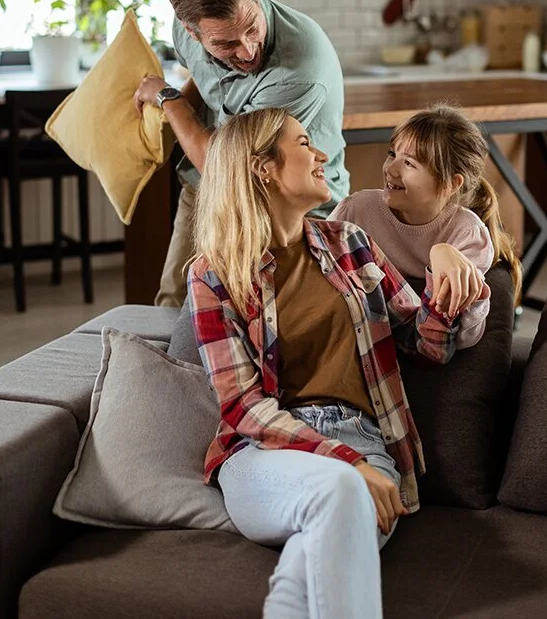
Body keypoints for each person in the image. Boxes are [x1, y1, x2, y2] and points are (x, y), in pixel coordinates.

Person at [187, 107, 480, 619]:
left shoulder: (351, 244)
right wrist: (347, 463)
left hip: (368, 442)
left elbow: (428, 344)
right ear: (264, 167)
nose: (322, 154)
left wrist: (445, 263)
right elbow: (241, 407)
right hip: (263, 454)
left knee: (300, 583)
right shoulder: (212, 274)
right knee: (341, 490)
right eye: (304, 144)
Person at [133, 0, 349, 308]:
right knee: (172, 302)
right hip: (209, 188)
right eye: (226, 44)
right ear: (191, 32)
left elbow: (226, 167)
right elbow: (204, 82)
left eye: (252, 27)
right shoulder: (185, 29)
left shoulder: (301, 69)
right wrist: (178, 105)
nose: (248, 51)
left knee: (257, 323)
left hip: (285, 205)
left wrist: (168, 98)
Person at [330, 105, 522, 349]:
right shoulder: (354, 211)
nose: (390, 169)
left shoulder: (467, 235)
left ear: (451, 184)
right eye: (392, 154)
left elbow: (459, 340)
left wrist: (442, 254)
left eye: (409, 164)